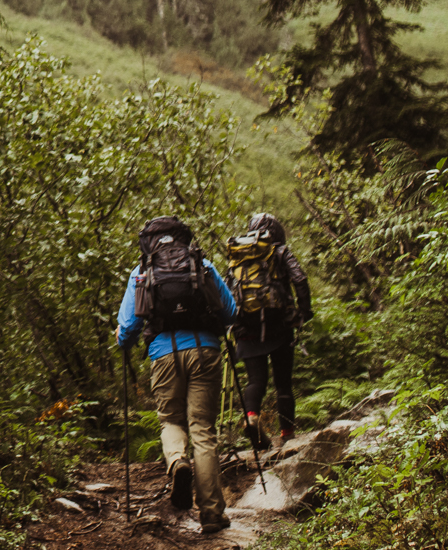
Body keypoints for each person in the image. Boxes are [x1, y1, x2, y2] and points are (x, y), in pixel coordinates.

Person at [117, 215, 237, 536]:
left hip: (163, 354)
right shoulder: (202, 264)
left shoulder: (142, 272)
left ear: (148, 242)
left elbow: (128, 327)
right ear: (184, 238)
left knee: (170, 420)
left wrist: (123, 341)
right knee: (203, 429)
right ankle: (212, 514)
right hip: (206, 351)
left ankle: (176, 460)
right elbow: (230, 311)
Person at [226, 211, 312, 452]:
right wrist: (303, 312)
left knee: (256, 380)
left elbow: (227, 289)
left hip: (246, 329)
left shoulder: (239, 254)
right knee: (283, 383)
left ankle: (252, 417)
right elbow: (300, 280)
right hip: (279, 325)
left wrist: (230, 324)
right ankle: (287, 435)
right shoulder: (281, 252)